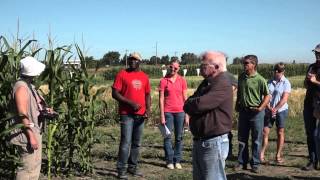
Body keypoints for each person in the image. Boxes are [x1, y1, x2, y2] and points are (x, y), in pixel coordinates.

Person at [184, 51, 233, 180]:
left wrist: (191, 103)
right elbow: (188, 103)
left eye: (204, 65)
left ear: (216, 67)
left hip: (213, 141)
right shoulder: (207, 82)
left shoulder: (222, 82)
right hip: (203, 140)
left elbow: (199, 104)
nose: (200, 67)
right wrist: (191, 103)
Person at [112, 52, 151, 179]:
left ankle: (132, 167)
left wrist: (148, 109)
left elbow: (147, 94)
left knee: (137, 143)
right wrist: (130, 103)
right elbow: (115, 93)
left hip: (140, 114)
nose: (132, 61)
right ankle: (121, 170)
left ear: (140, 61)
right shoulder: (122, 74)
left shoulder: (144, 76)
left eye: (135, 60)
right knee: (125, 142)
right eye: (130, 59)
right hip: (126, 114)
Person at [10, 56, 50, 179]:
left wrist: (45, 110)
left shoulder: (29, 85)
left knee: (34, 166)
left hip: (34, 129)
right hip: (27, 133)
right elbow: (23, 114)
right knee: (27, 169)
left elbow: (34, 106)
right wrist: (31, 136)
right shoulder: (21, 87)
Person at [234, 55, 270, 173]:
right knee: (242, 138)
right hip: (244, 111)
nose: (244, 65)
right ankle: (241, 161)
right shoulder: (241, 77)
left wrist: (260, 108)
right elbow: (239, 91)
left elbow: (268, 95)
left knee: (256, 139)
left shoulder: (260, 79)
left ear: (253, 64)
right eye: (244, 63)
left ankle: (255, 163)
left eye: (247, 63)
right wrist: (237, 103)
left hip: (256, 113)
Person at [158, 59, 188, 170]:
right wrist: (162, 115)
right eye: (171, 67)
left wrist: (187, 115)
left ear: (179, 68)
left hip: (180, 112)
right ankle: (169, 160)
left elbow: (185, 98)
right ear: (169, 67)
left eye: (176, 68)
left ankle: (177, 160)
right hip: (168, 112)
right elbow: (161, 99)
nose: (173, 69)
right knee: (167, 137)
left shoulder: (182, 80)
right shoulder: (163, 81)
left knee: (179, 137)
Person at [260, 63, 291, 164]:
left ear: (283, 71)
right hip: (269, 110)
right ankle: (261, 154)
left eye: (279, 70)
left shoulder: (286, 83)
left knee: (280, 132)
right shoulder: (269, 82)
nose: (276, 72)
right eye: (275, 70)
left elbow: (284, 99)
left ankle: (278, 155)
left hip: (281, 110)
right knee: (265, 131)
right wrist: (269, 107)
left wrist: (275, 109)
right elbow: (266, 96)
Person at [302, 43, 320, 171]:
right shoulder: (311, 67)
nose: (317, 55)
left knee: (317, 134)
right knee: (310, 133)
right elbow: (306, 85)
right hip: (309, 103)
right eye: (316, 53)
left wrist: (315, 81)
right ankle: (313, 160)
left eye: (319, 53)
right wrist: (307, 81)